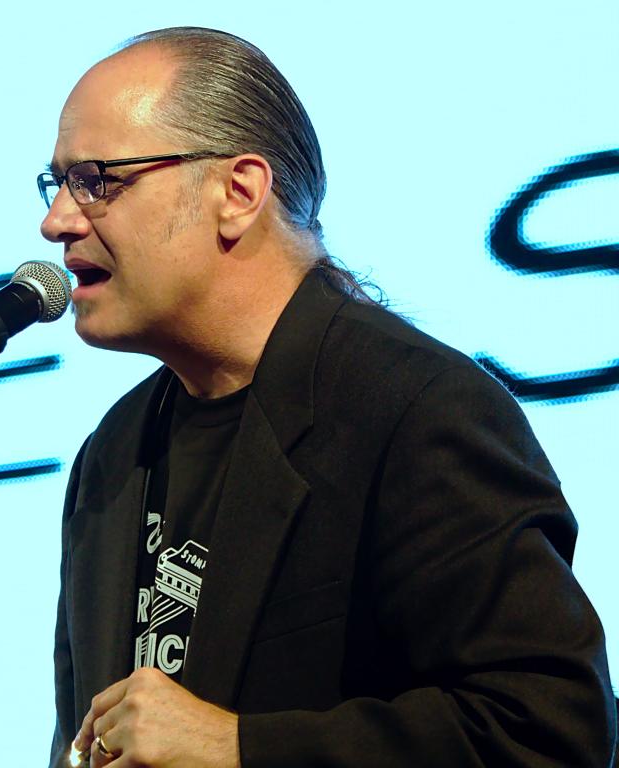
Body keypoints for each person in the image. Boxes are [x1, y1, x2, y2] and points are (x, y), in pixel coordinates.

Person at [37, 27, 616, 768]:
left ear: (239, 193)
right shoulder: (112, 453)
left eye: (97, 179)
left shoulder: (413, 407)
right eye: (57, 184)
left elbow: (548, 728)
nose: (58, 220)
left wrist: (239, 748)